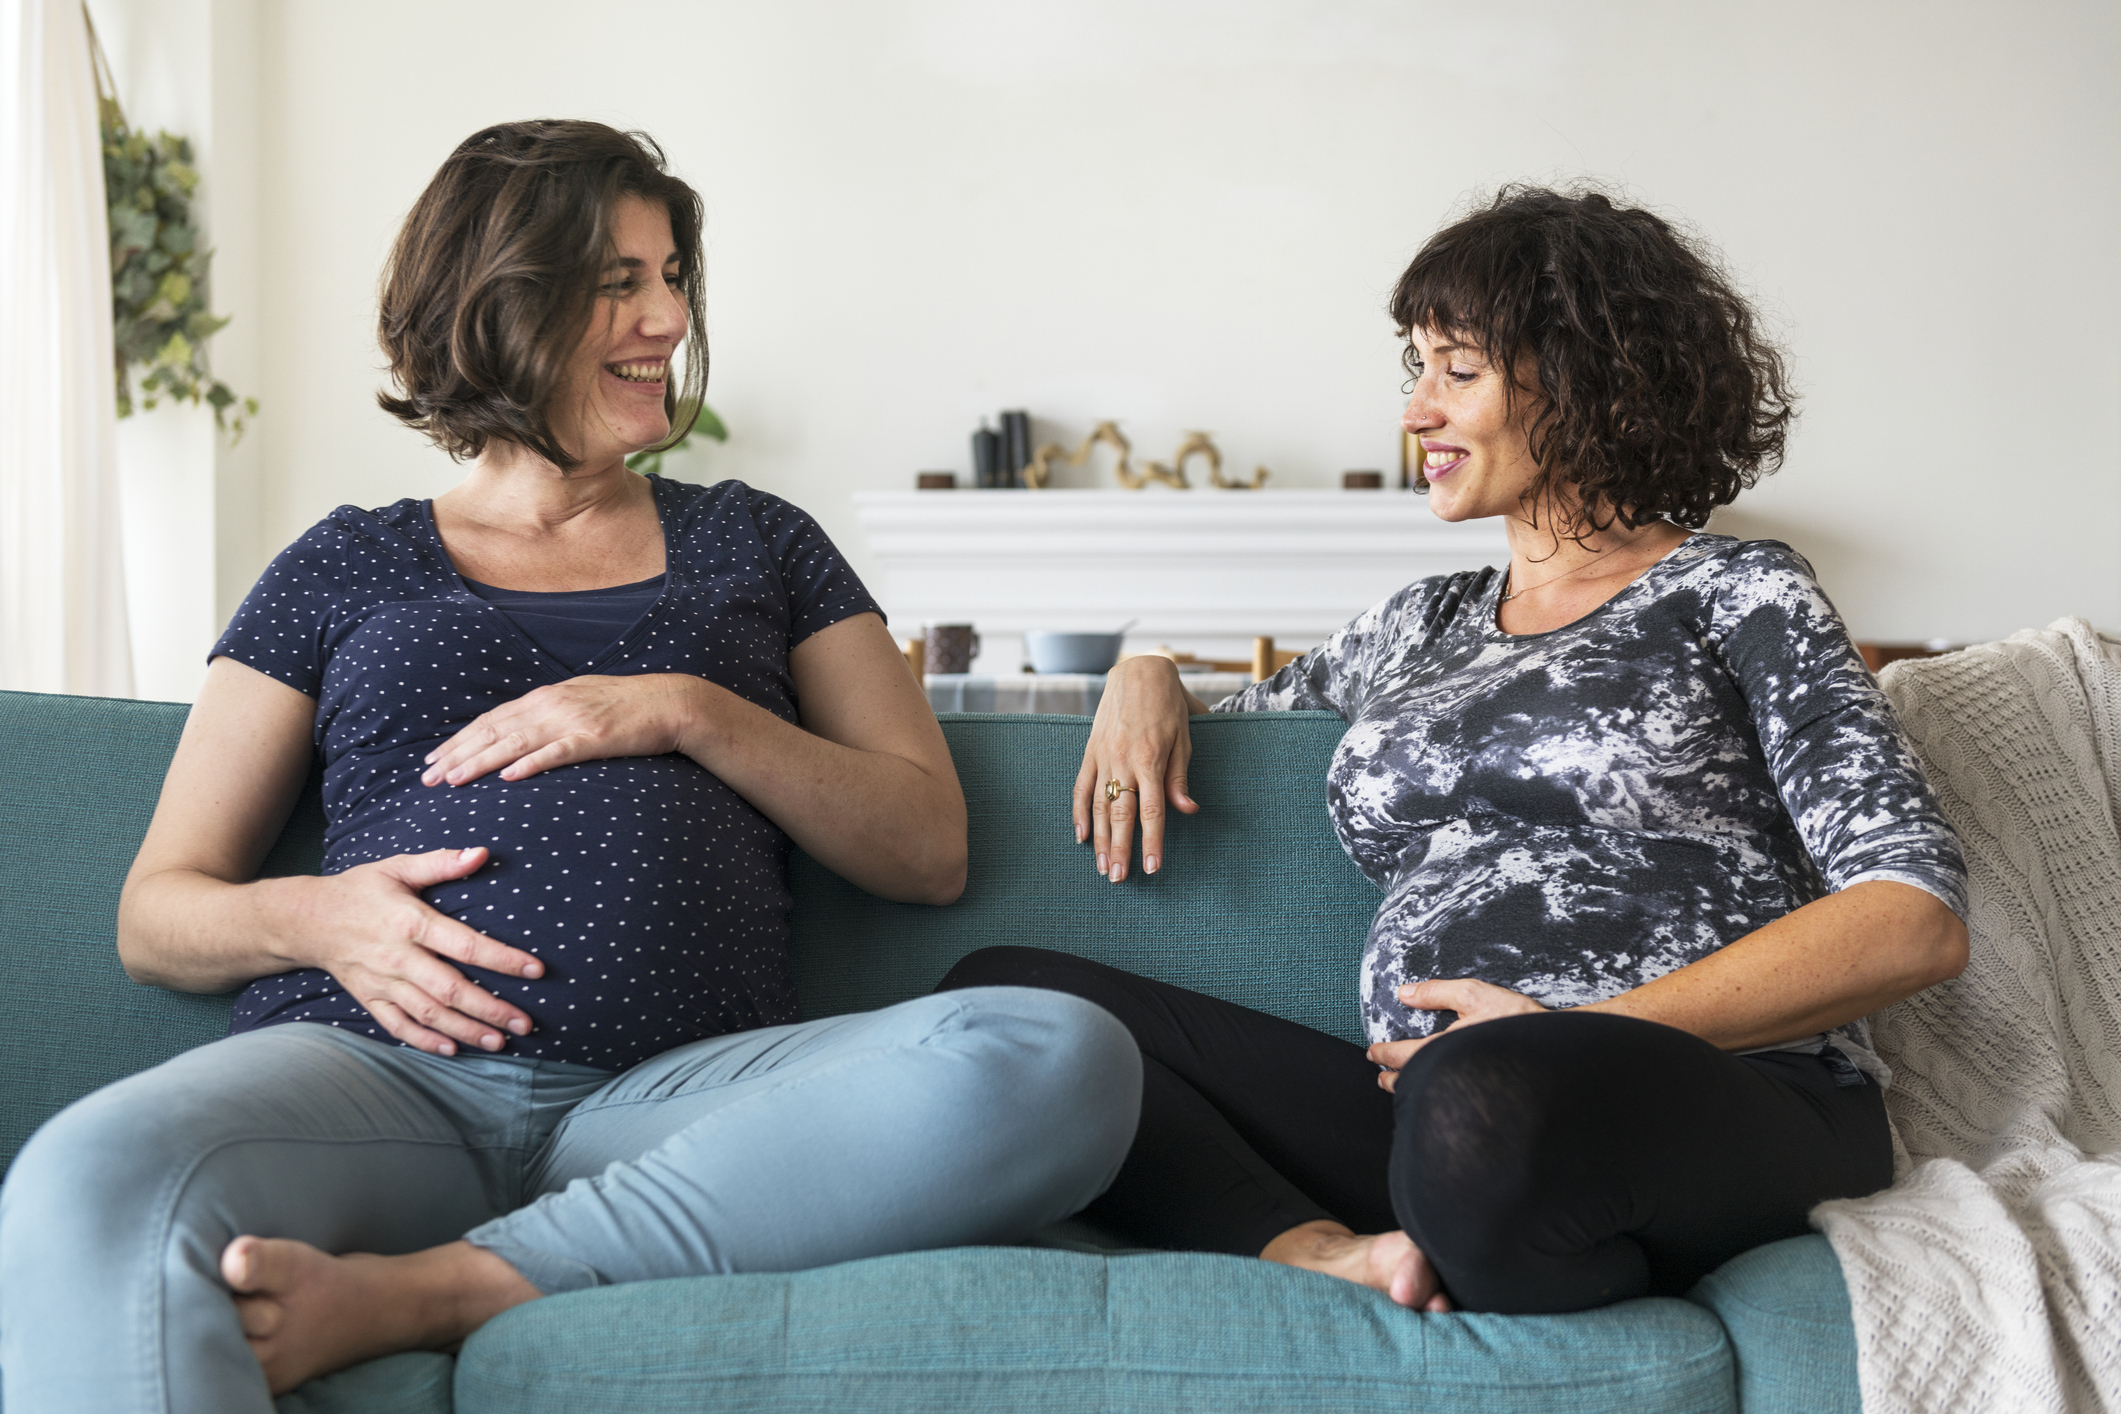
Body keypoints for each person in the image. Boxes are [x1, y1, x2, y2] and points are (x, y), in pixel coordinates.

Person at [0, 120, 1139, 1412]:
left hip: (686, 1108)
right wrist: (317, 916)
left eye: (671, 277)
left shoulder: (759, 543)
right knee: (82, 1180)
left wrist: (689, 711)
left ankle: (442, 1287)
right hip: (375, 1076)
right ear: (498, 304)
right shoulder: (343, 561)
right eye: (619, 282)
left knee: (1063, 1056)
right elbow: (159, 912)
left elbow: (928, 846)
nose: (665, 316)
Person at [939, 186, 1970, 1316]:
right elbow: (1244, 713)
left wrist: (1573, 1032)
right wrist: (1149, 670)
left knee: (1482, 1105)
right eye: (1414, 370)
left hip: (1710, 1090)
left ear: (1591, 380)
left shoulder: (1738, 592)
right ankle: (1323, 1246)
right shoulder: (1416, 625)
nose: (1417, 411)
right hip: (1426, 1099)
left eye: (1458, 371)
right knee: (1009, 1004)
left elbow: (1910, 913)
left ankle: (1502, 1229)